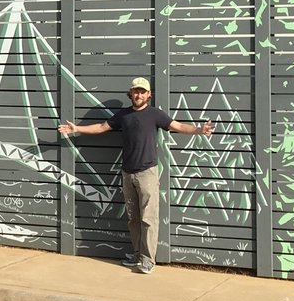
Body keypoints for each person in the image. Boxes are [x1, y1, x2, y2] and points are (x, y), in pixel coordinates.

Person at [57, 77, 213, 274]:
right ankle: (138, 253)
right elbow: (102, 127)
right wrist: (76, 129)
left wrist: (200, 130)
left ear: (149, 94)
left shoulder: (155, 114)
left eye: (142, 91)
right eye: (135, 91)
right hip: (127, 173)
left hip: (147, 173)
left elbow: (178, 126)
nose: (138, 95)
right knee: (133, 218)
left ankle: (148, 260)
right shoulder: (124, 115)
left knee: (149, 218)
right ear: (130, 94)